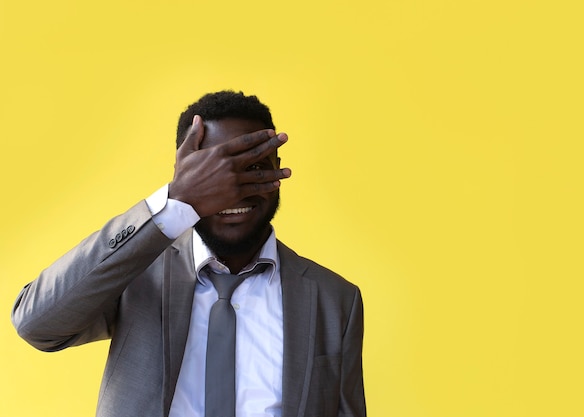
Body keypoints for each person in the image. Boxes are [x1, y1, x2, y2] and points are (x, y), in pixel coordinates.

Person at [11, 91, 366, 417]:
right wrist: (174, 202)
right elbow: (37, 324)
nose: (233, 191)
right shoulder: (136, 272)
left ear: (278, 168)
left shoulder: (335, 299)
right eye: (213, 172)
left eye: (254, 168)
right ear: (184, 175)